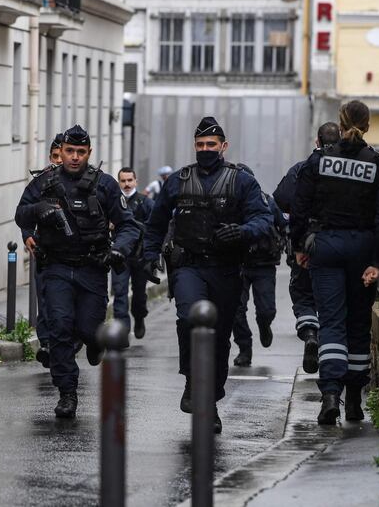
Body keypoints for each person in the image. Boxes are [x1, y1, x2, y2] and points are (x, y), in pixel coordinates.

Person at [143, 116, 272, 434]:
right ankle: (190, 381)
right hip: (188, 267)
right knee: (189, 319)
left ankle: (211, 400)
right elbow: (156, 222)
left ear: (223, 146)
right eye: (200, 145)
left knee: (218, 339)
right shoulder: (179, 180)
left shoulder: (241, 182)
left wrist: (242, 231)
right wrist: (148, 257)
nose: (205, 150)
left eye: (211, 145)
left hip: (226, 270)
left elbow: (263, 218)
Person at [15, 124, 139, 419]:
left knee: (89, 329)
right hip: (56, 266)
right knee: (59, 328)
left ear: (89, 153)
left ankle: (95, 343)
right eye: (69, 151)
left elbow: (128, 225)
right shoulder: (45, 182)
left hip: (92, 268)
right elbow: (21, 213)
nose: (73, 157)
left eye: (80, 152)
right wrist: (38, 211)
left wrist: (119, 249)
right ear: (61, 152)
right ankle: (67, 392)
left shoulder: (105, 185)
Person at [290, 101, 379, 425]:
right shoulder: (377, 165)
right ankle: (353, 403)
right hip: (362, 249)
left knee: (332, 322)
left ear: (340, 121)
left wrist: (298, 247)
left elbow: (299, 206)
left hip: (327, 246)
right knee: (357, 324)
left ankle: (330, 395)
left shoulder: (319, 161)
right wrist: (376, 261)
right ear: (367, 125)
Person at [274, 122, 340, 374]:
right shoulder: (348, 168)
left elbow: (282, 199)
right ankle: (330, 362)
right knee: (333, 300)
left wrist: (297, 243)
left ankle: (310, 333)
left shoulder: (303, 168)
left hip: (307, 244)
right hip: (340, 242)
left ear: (317, 142)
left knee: (302, 293)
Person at [231, 163, 287, 367]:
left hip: (264, 264)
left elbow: (283, 226)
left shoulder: (267, 202)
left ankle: (265, 326)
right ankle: (244, 348)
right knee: (236, 310)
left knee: (266, 310)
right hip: (237, 264)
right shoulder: (229, 203)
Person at [22, 133, 63, 368]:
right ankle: (46, 344)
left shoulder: (87, 180)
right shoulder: (41, 182)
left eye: (62, 155)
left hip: (76, 254)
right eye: (55, 156)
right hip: (46, 250)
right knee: (45, 299)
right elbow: (25, 211)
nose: (59, 160)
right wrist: (27, 235)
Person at [111, 167, 154, 338]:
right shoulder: (114, 203)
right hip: (120, 255)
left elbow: (156, 227)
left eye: (130, 180)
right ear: (119, 183)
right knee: (119, 291)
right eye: (123, 181)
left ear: (136, 181)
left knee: (139, 294)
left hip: (140, 256)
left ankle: (139, 317)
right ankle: (122, 331)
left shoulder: (146, 203)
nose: (127, 184)